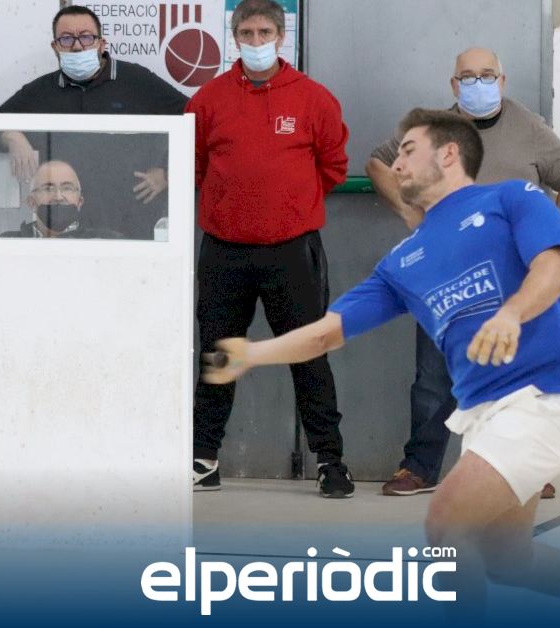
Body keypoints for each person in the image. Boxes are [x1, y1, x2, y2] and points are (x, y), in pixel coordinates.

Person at [202, 109, 560, 617]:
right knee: (509, 560)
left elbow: (552, 269)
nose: (397, 163)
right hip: (484, 416)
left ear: (449, 154)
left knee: (446, 522)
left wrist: (511, 314)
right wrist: (253, 353)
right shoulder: (403, 261)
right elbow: (326, 333)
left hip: (544, 397)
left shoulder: (513, 198)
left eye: (409, 150)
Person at [366, 47, 560, 498]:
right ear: (454, 85)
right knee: (433, 377)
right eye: (467, 77)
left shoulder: (530, 129)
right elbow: (378, 163)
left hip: (513, 278)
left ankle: (524, 469)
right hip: (447, 275)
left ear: (502, 81)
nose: (478, 84)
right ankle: (419, 467)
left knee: (520, 376)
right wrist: (411, 213)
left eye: (487, 75)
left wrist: (556, 235)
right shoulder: (433, 132)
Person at [186, 0, 352, 498]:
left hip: (292, 251)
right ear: (234, 36)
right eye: (247, 32)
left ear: (281, 37)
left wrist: (288, 207)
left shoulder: (314, 98)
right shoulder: (207, 99)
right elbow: (195, 166)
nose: (255, 41)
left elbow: (333, 167)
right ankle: (203, 458)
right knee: (219, 354)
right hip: (224, 251)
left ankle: (330, 460)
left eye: (264, 32)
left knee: (309, 352)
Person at [0, 5, 188, 239]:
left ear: (101, 43)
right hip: (67, 230)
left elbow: (193, 120)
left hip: (132, 225)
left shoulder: (137, 81)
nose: (77, 46)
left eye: (86, 37)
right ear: (55, 47)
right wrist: (10, 135)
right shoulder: (42, 91)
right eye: (67, 39)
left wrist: (168, 173)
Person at [0, 161, 119, 239]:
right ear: (32, 202)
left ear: (80, 202)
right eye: (48, 189)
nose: (58, 197)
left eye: (67, 188)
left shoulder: (108, 241)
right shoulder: (5, 242)